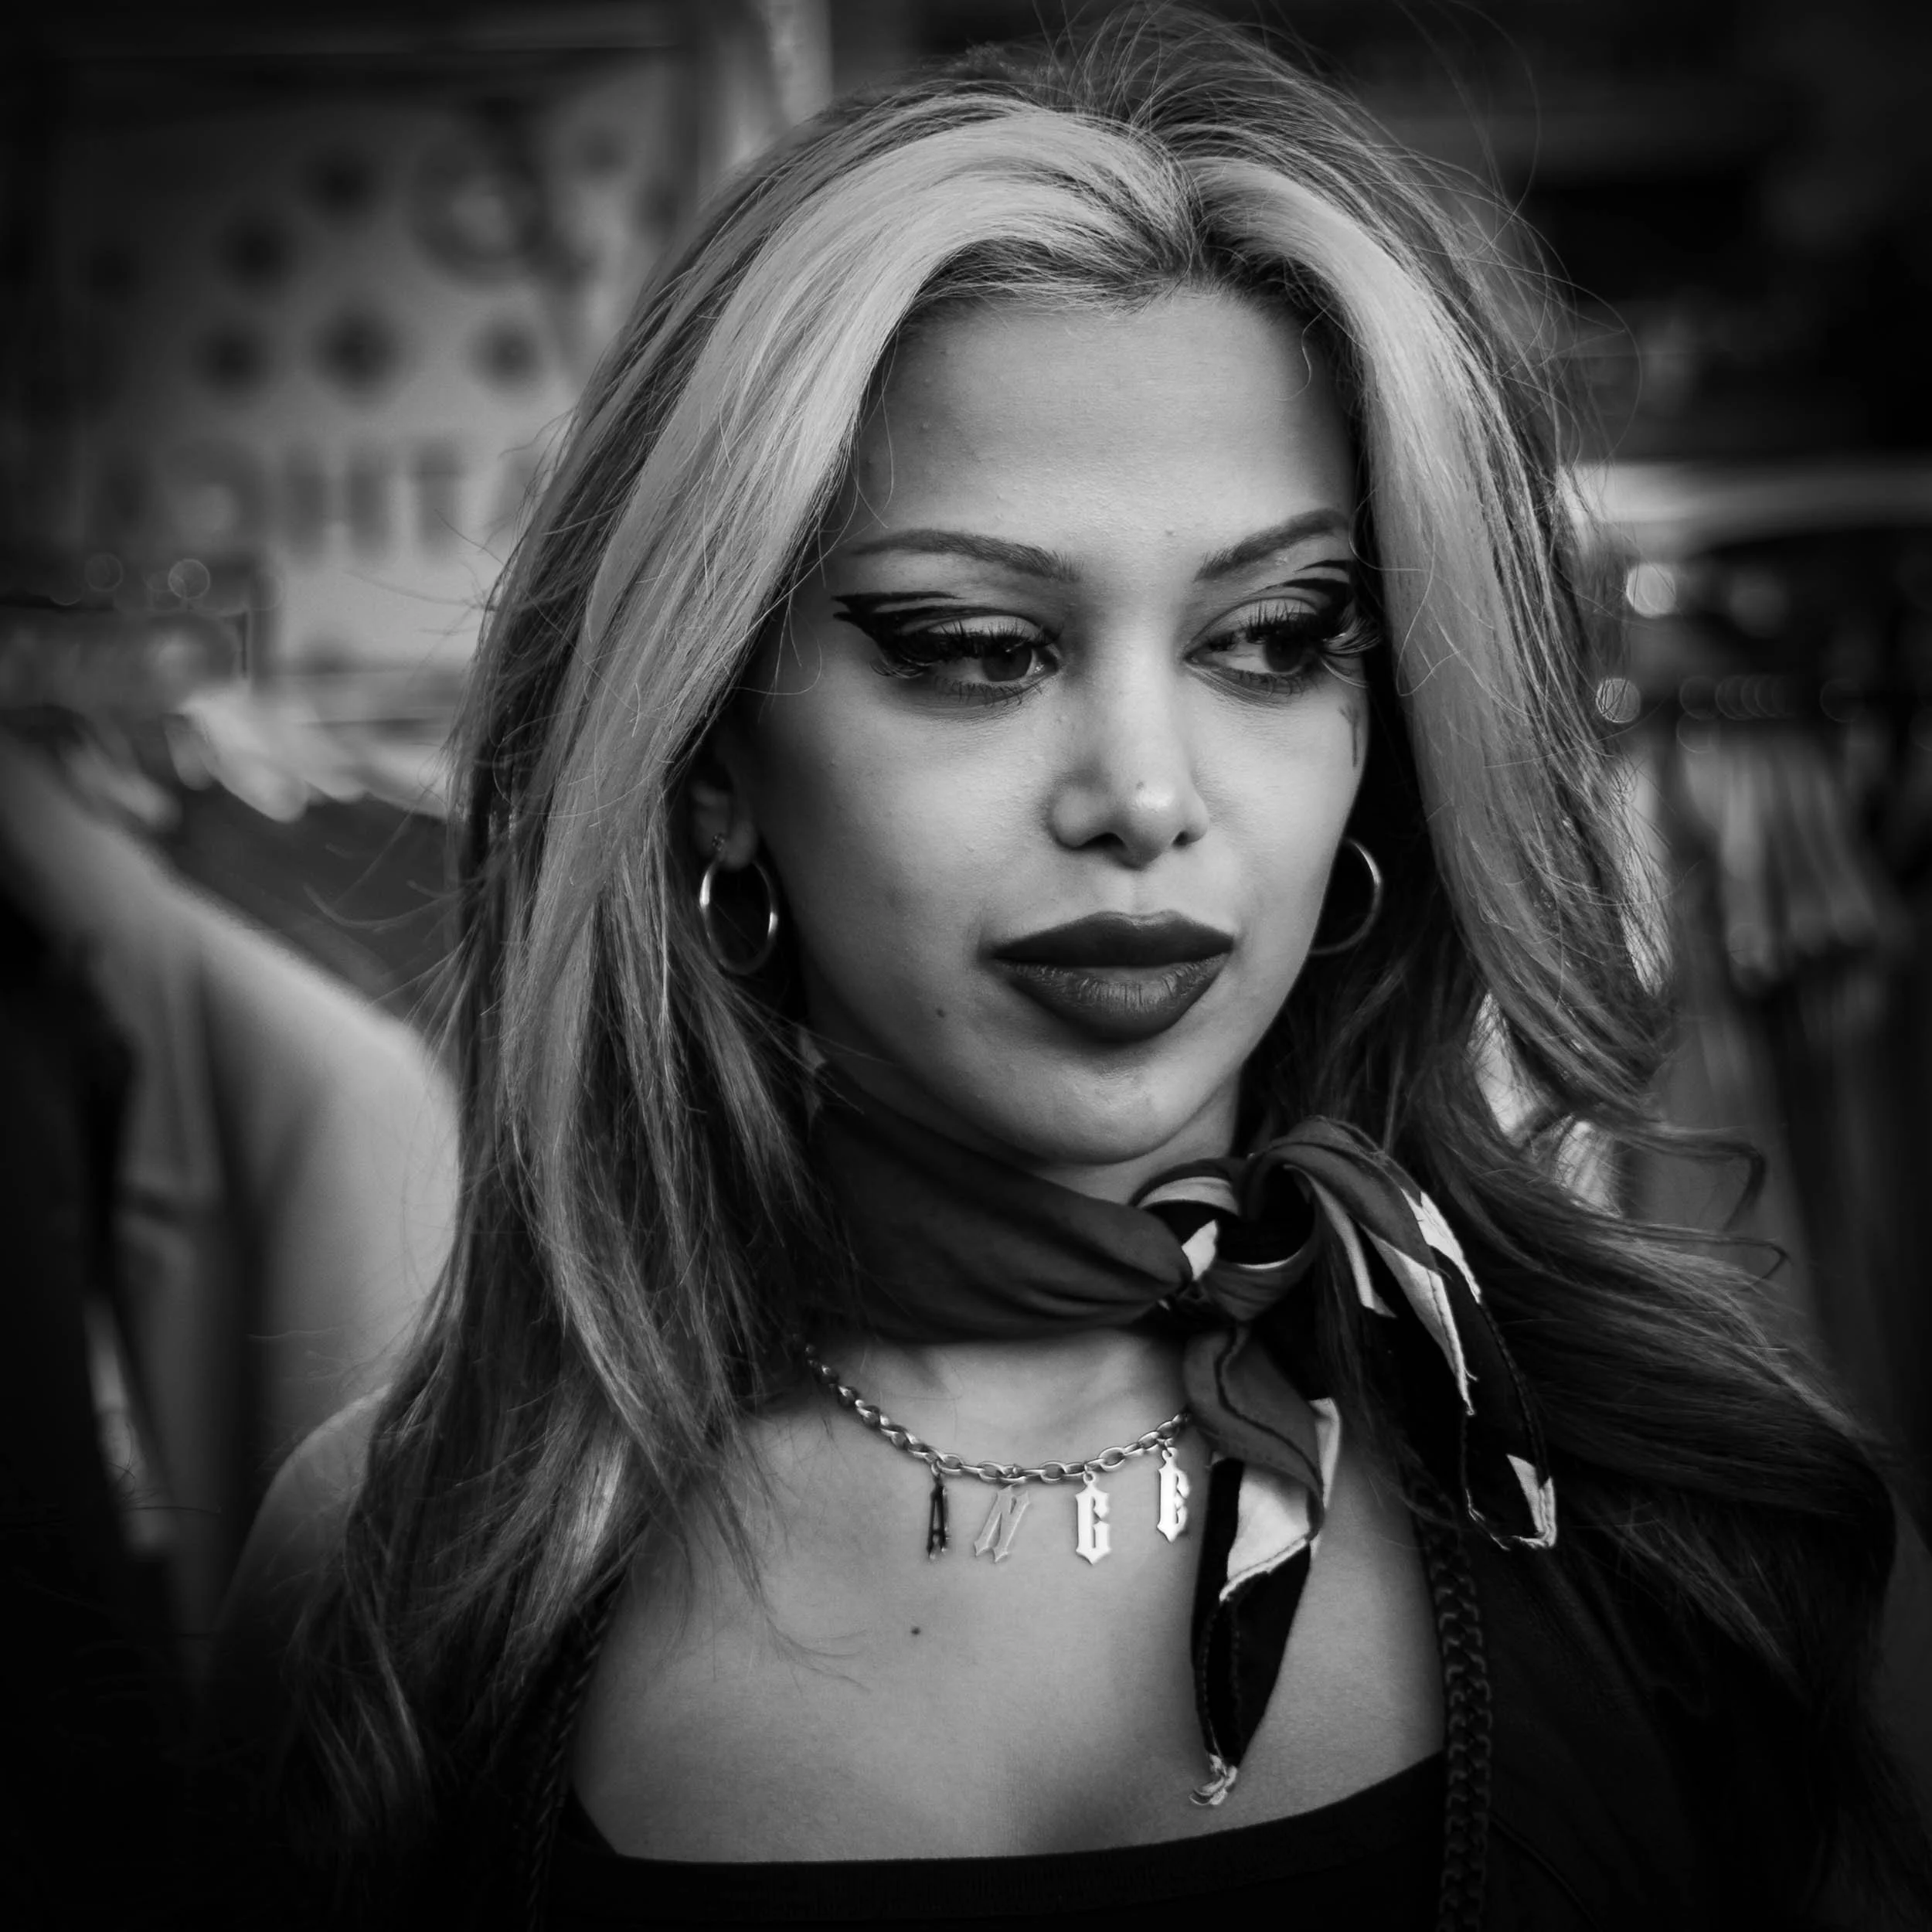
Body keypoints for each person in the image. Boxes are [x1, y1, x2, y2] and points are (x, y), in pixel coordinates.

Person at [209, 9, 1932, 1928]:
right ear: (706, 764)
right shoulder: (399, 1561)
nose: (1144, 793)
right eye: (971, 644)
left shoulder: (1702, 1524)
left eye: (1275, 637)